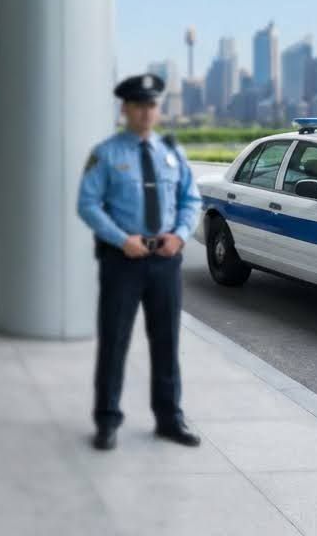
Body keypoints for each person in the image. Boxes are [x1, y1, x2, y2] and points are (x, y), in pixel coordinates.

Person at [76, 73, 203, 451]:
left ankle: (169, 418)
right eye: (138, 105)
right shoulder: (107, 153)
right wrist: (120, 239)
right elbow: (87, 203)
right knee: (114, 341)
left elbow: (190, 200)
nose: (146, 112)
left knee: (166, 341)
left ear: (157, 109)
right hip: (123, 261)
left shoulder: (171, 152)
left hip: (165, 259)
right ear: (125, 109)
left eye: (152, 105)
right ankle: (107, 419)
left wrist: (180, 234)